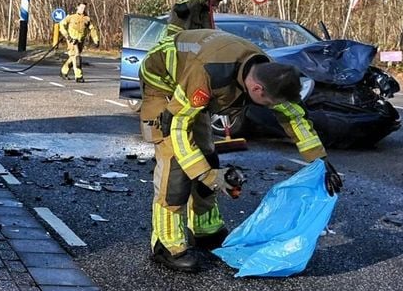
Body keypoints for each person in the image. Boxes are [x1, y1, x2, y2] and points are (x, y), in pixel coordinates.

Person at [139, 28, 343, 273]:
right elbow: (179, 127)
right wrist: (206, 176)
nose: (273, 108)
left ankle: (205, 228)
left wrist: (320, 163)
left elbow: (294, 117)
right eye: (270, 104)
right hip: (162, 81)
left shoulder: (269, 72)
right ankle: (167, 245)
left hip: (192, 85)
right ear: (257, 90)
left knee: (206, 155)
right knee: (175, 168)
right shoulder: (207, 74)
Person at [164, 0, 230, 39]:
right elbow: (181, 10)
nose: (216, 4)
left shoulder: (205, 13)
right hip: (174, 45)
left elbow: (208, 34)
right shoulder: (186, 1)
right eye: (217, 0)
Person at [51, 3, 100, 83]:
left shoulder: (87, 19)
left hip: (81, 40)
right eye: (81, 7)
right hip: (72, 40)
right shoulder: (71, 17)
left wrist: (96, 40)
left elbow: (92, 29)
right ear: (77, 7)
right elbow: (62, 25)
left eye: (84, 8)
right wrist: (67, 36)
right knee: (76, 57)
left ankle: (63, 71)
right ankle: (79, 76)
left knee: (73, 57)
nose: (82, 9)